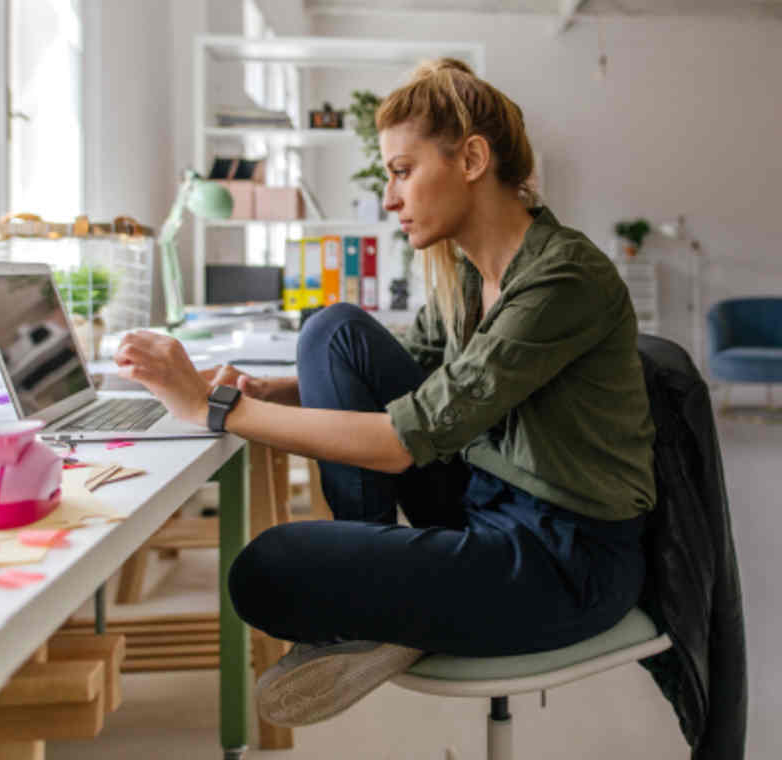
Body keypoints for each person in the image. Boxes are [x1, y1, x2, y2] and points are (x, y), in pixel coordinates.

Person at [113, 57, 656, 728]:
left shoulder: (563, 278)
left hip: (564, 559)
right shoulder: (465, 271)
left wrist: (216, 409)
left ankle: (388, 606)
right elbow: (422, 378)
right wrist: (271, 392)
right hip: (480, 500)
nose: (391, 198)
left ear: (473, 159)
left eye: (402, 172)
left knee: (266, 570)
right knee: (330, 331)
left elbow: (407, 438)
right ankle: (387, 609)